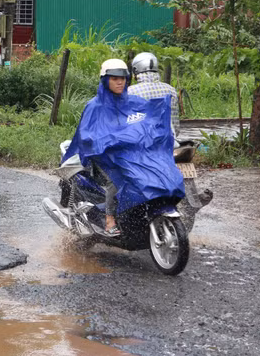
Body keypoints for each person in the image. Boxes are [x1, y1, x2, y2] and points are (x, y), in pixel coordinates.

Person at [62, 59, 183, 238]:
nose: (120, 82)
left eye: (123, 78)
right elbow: (86, 134)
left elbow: (149, 121)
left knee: (157, 170)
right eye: (114, 79)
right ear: (105, 80)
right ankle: (110, 219)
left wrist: (159, 133)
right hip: (105, 156)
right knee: (116, 181)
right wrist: (105, 142)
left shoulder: (135, 102)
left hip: (130, 154)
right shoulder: (95, 106)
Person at [128, 52, 180, 140]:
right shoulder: (171, 90)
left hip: (141, 144)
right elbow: (176, 128)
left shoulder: (130, 92)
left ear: (135, 70)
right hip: (168, 142)